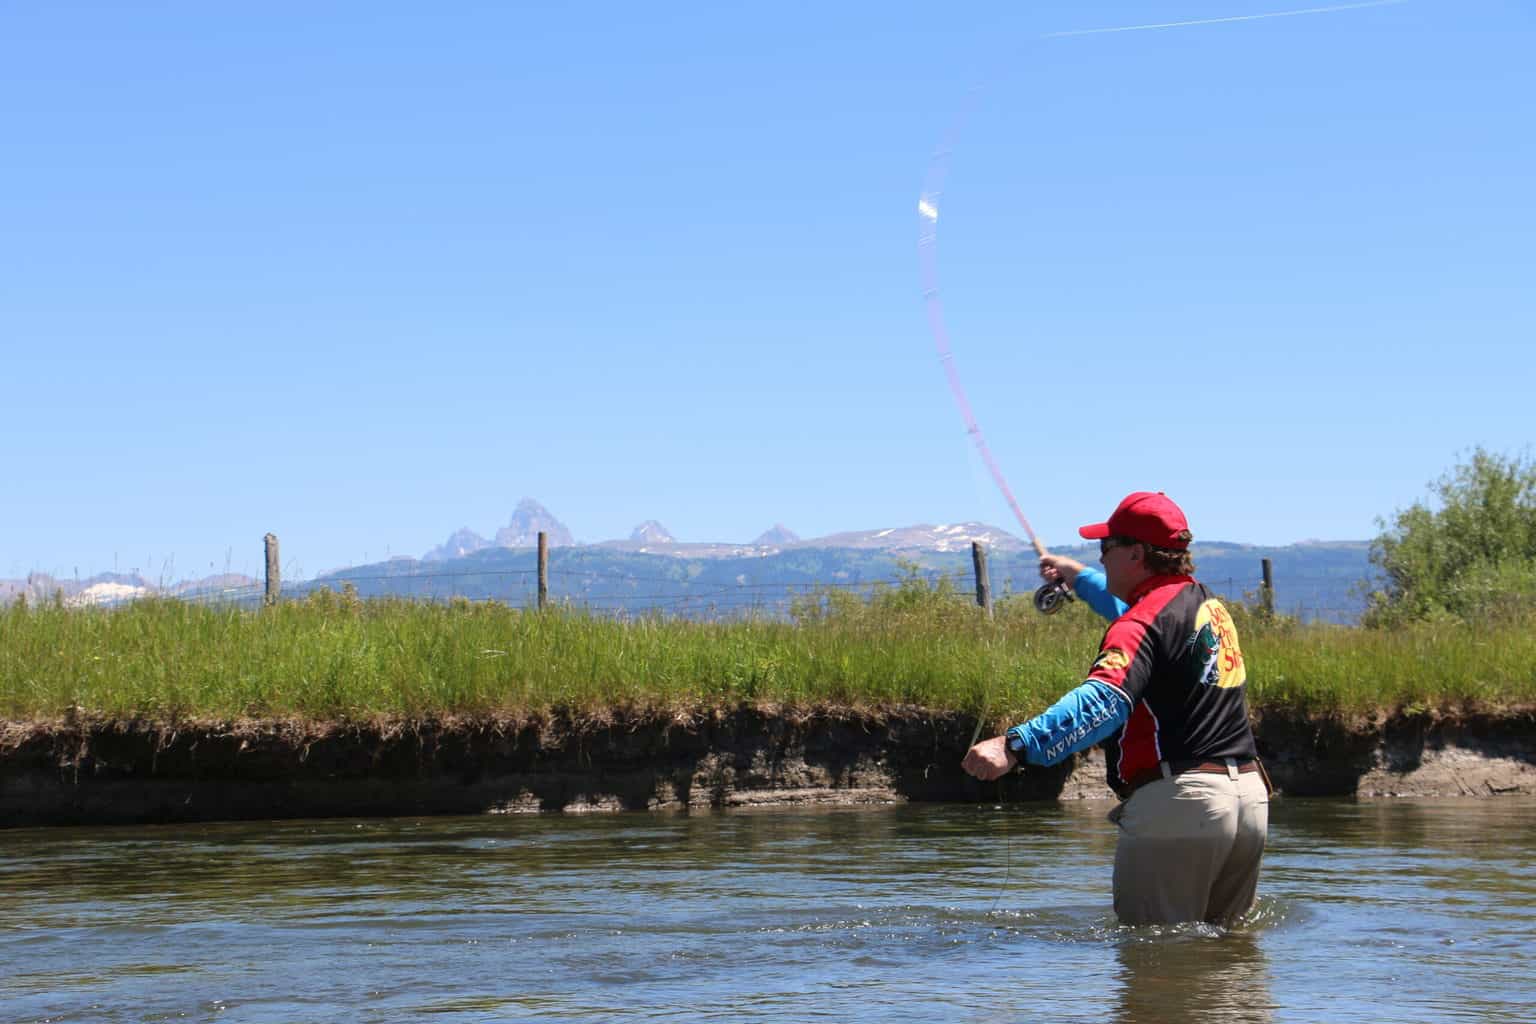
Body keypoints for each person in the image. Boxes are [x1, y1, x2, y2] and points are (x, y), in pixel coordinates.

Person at [961, 491, 1269, 926]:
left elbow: (1104, 702)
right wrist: (1076, 576)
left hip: (1180, 804)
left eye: (1107, 549)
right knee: (1231, 964)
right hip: (1249, 802)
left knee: (1155, 963)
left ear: (1137, 554)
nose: (1101, 559)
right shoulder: (1205, 604)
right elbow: (1139, 611)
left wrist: (1015, 745)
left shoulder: (1140, 623)